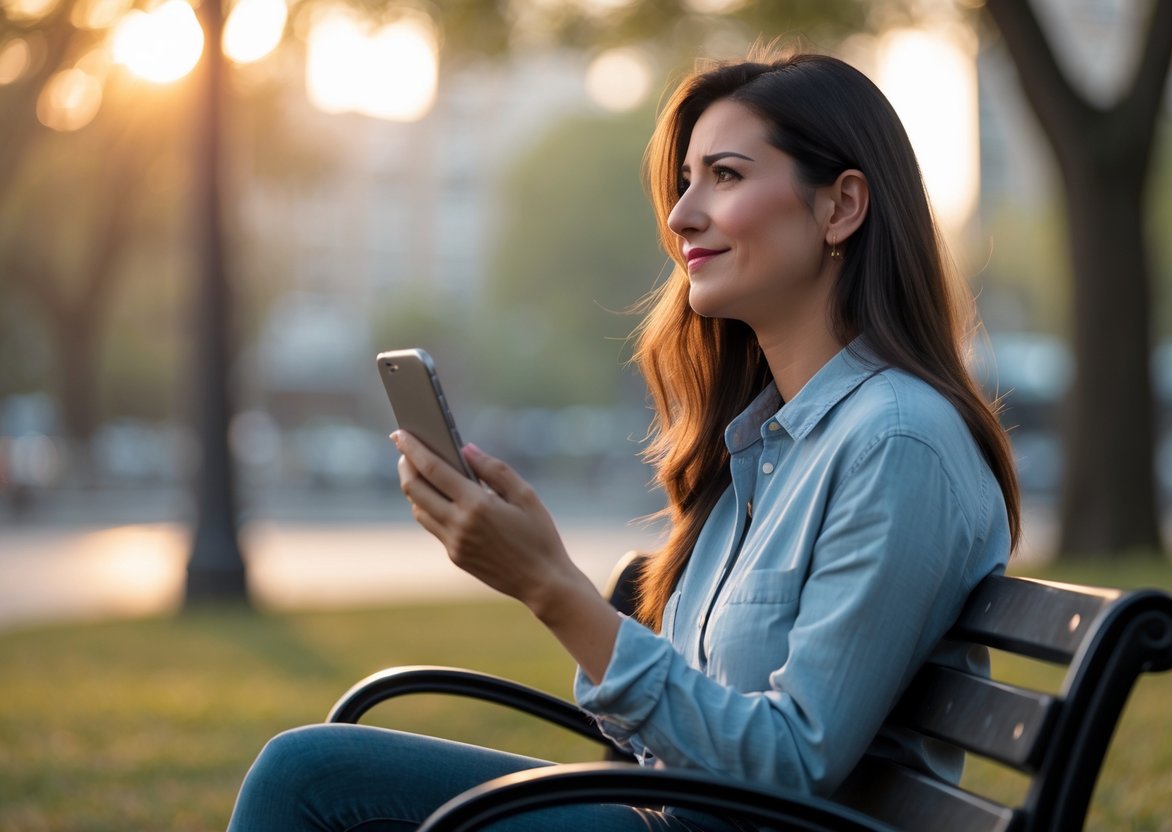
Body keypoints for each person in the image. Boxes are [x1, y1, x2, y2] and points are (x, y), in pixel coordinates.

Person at [227, 48, 1020, 832]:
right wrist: (550, 571)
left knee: (311, 778)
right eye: (685, 183)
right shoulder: (765, 445)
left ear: (840, 207)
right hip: (682, 814)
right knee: (314, 768)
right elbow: (698, 733)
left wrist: (550, 589)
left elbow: (786, 768)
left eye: (727, 176)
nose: (680, 216)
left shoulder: (896, 442)